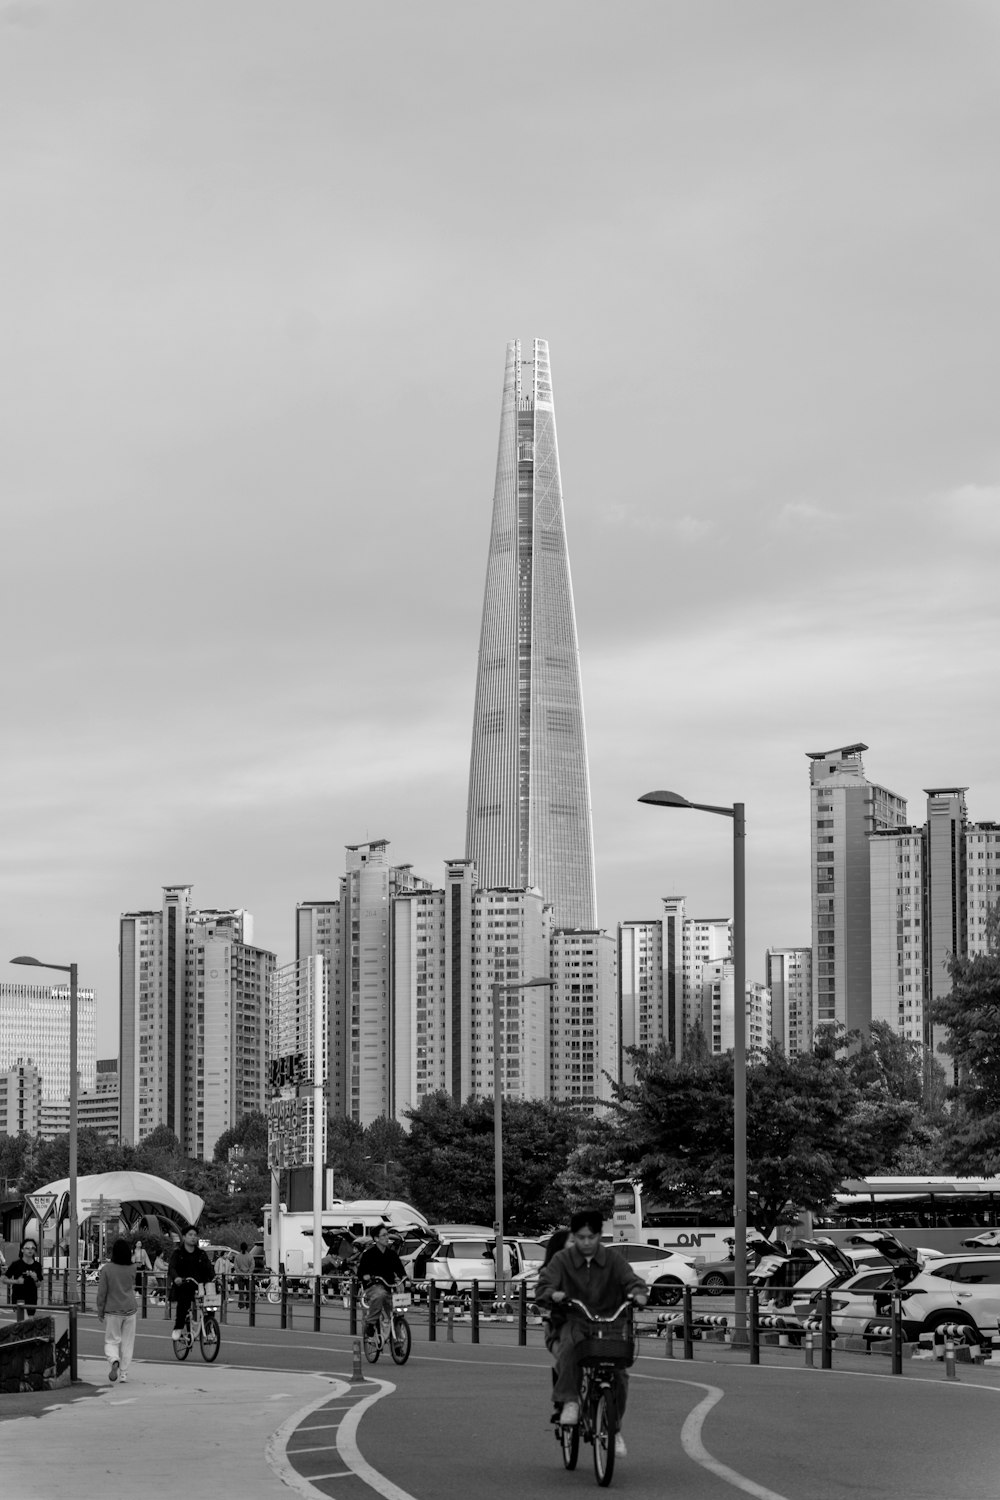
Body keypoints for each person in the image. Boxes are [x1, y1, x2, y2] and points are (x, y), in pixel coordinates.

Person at [535, 1209, 647, 1460]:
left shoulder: (613, 1260)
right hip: (575, 1321)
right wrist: (552, 1294)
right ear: (574, 1236)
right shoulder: (562, 1260)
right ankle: (570, 1401)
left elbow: (632, 1280)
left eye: (592, 1237)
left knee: (620, 1374)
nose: (586, 1243)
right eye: (581, 1237)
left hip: (610, 1325)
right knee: (570, 1347)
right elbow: (544, 1284)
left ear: (600, 1236)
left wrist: (638, 1293)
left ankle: (613, 1428)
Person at [97, 1238, 138, 1383]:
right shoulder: (133, 1268)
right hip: (130, 1308)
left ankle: (114, 1360)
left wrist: (100, 1310)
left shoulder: (107, 1269)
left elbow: (102, 1292)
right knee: (128, 1343)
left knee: (111, 1341)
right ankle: (124, 1373)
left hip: (113, 1310)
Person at [166, 1225, 215, 1343]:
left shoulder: (201, 1254)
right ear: (184, 1237)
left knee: (210, 1302)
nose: (193, 1238)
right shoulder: (178, 1253)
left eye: (195, 1235)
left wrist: (214, 1277)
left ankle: (209, 1329)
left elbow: (208, 1268)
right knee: (183, 1303)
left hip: (200, 1285)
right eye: (190, 1235)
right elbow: (171, 1268)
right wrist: (176, 1277)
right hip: (184, 1285)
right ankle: (178, 1327)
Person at [357, 1225, 407, 1334]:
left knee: (397, 1310)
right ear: (376, 1238)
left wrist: (404, 1277)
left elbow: (400, 1269)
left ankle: (398, 1342)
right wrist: (366, 1276)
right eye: (383, 1235)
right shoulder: (368, 1254)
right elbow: (361, 1272)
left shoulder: (392, 1254)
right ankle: (370, 1323)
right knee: (379, 1295)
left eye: (387, 1234)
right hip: (374, 1286)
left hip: (389, 1286)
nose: (387, 1237)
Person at [4, 1239, 43, 1319]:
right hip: (18, 1298)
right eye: (27, 1248)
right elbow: (4, 1279)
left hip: (32, 1298)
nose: (30, 1250)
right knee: (22, 1321)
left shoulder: (37, 1266)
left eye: (33, 1248)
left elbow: (39, 1285)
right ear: (22, 1250)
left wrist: (35, 1278)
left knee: (30, 1322)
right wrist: (16, 1281)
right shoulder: (16, 1264)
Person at [232, 1242, 255, 1309]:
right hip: (248, 1276)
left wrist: (241, 1274)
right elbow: (252, 1266)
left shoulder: (237, 1256)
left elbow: (236, 1266)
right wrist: (248, 1274)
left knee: (241, 1291)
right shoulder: (250, 1256)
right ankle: (248, 1304)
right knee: (248, 1291)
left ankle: (241, 1305)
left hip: (240, 1276)